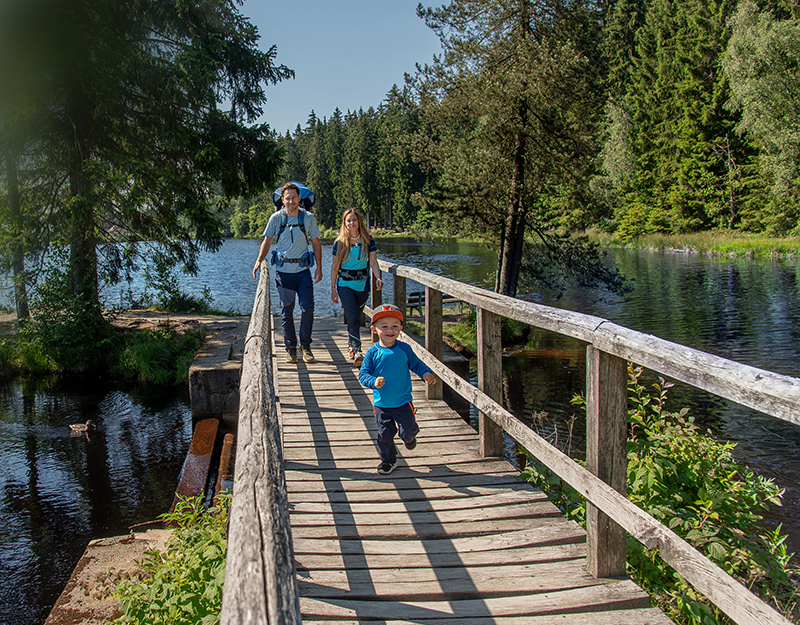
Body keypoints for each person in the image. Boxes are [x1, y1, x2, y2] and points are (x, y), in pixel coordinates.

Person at [358, 304, 436, 475]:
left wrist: (425, 374)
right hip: (382, 404)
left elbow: (416, 364)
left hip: (403, 401)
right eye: (384, 326)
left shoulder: (404, 349)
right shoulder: (372, 353)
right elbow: (363, 374)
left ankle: (410, 436)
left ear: (401, 328)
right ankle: (388, 461)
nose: (390, 330)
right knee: (384, 435)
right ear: (374, 329)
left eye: (394, 326)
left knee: (407, 431)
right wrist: (373, 381)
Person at [252, 182, 322, 364]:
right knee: (286, 312)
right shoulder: (276, 218)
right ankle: (291, 348)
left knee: (308, 309)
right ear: (282, 200)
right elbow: (267, 241)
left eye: (294, 198)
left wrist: (320, 267)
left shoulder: (308, 218)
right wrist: (259, 260)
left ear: (299, 199)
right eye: (287, 198)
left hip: (303, 273)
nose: (291, 201)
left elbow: (316, 243)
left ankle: (305, 346)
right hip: (283, 273)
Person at [331, 208, 383, 366]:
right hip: (344, 284)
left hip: (362, 284)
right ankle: (357, 350)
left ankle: (350, 345)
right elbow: (334, 267)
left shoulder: (368, 240)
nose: (351, 223)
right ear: (344, 224)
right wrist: (333, 288)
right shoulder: (340, 242)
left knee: (355, 316)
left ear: (359, 221)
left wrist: (378, 277)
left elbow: (373, 262)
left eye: (354, 220)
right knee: (353, 316)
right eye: (348, 220)